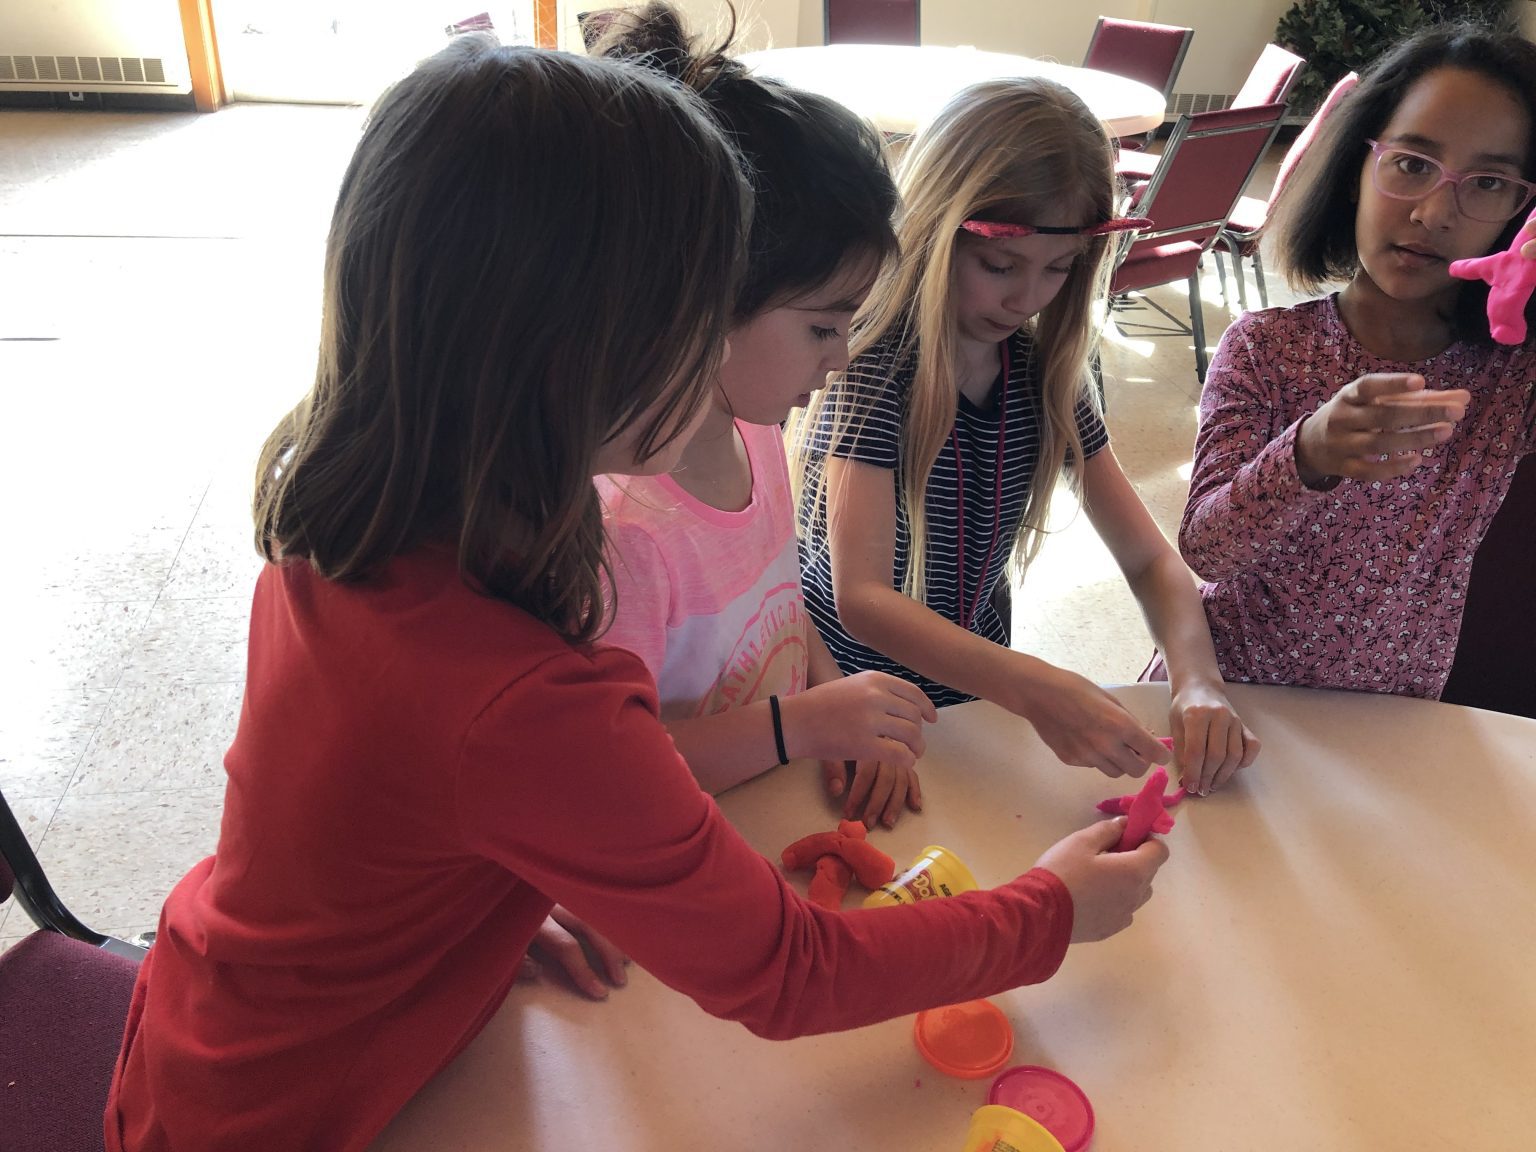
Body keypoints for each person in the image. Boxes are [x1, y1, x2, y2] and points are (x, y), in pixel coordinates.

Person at [103, 40, 1168, 1152]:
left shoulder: (358, 518)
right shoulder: (516, 694)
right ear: (580, 345)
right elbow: (787, 973)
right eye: (704, 304)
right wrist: (1047, 914)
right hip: (284, 1113)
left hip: (226, 1024)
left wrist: (483, 886)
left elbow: (362, 818)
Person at [791, 77, 1258, 796]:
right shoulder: (874, 368)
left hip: (974, 700)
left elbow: (1150, 561)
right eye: (1000, 266)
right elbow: (863, 599)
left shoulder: (1045, 371)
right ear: (935, 230)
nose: (1026, 298)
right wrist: (1036, 687)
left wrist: (1199, 681)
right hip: (853, 700)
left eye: (1059, 270)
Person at [592, 5, 935, 828]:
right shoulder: (621, 530)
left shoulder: (756, 428)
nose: (841, 357)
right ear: (703, 298)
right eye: (823, 325)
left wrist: (831, 698)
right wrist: (797, 727)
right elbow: (607, 769)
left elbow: (781, 608)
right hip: (681, 857)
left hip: (778, 812)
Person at [1178, 25, 1536, 708]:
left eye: (1487, 183)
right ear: (1355, 171)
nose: (1434, 213)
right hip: (1228, 705)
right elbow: (1206, 549)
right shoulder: (1265, 349)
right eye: (1410, 164)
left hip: (1391, 726)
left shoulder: (1514, 378)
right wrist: (1306, 454)